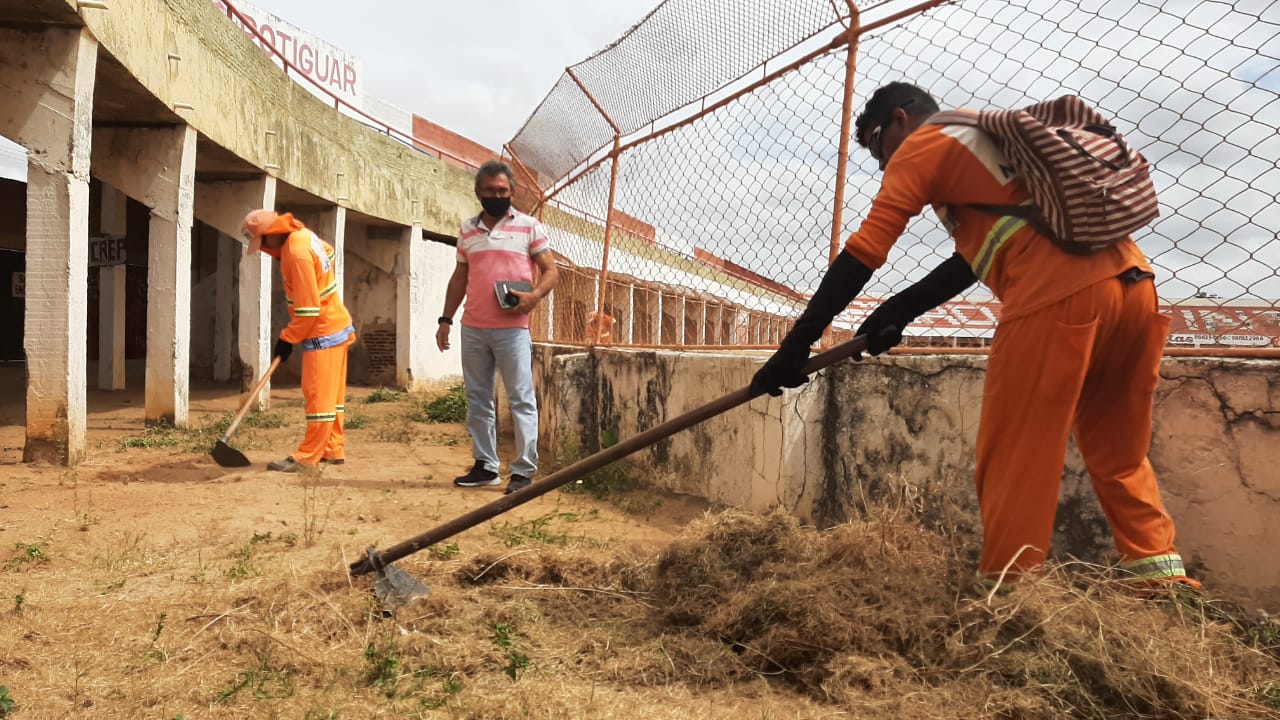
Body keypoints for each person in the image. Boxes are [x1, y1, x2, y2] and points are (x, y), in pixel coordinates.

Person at [750, 82, 1197, 589]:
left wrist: (794, 348)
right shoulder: (982, 138)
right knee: (1120, 452)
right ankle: (1162, 581)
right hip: (1135, 288)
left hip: (1058, 296)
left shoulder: (922, 144)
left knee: (1014, 455)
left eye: (877, 144)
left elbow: (864, 252)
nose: (881, 164)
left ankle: (1012, 598)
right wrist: (898, 311)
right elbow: (980, 254)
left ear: (900, 119)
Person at [437, 161, 559, 495]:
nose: (497, 196)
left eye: (503, 191)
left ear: (512, 192)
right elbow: (460, 277)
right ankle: (486, 466)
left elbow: (550, 270)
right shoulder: (467, 230)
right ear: (478, 192)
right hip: (473, 328)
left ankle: (523, 471)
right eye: (490, 191)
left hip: (513, 329)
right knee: (478, 399)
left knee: (520, 398)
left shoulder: (529, 226)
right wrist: (445, 319)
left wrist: (533, 297)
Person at [241, 209, 356, 473]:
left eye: (262, 243)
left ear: (271, 235)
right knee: (333, 398)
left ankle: (307, 457)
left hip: (322, 332)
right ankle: (332, 448)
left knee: (318, 398)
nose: (264, 250)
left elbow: (308, 310)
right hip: (336, 324)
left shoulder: (295, 253)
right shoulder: (304, 236)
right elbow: (329, 253)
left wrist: (287, 338)